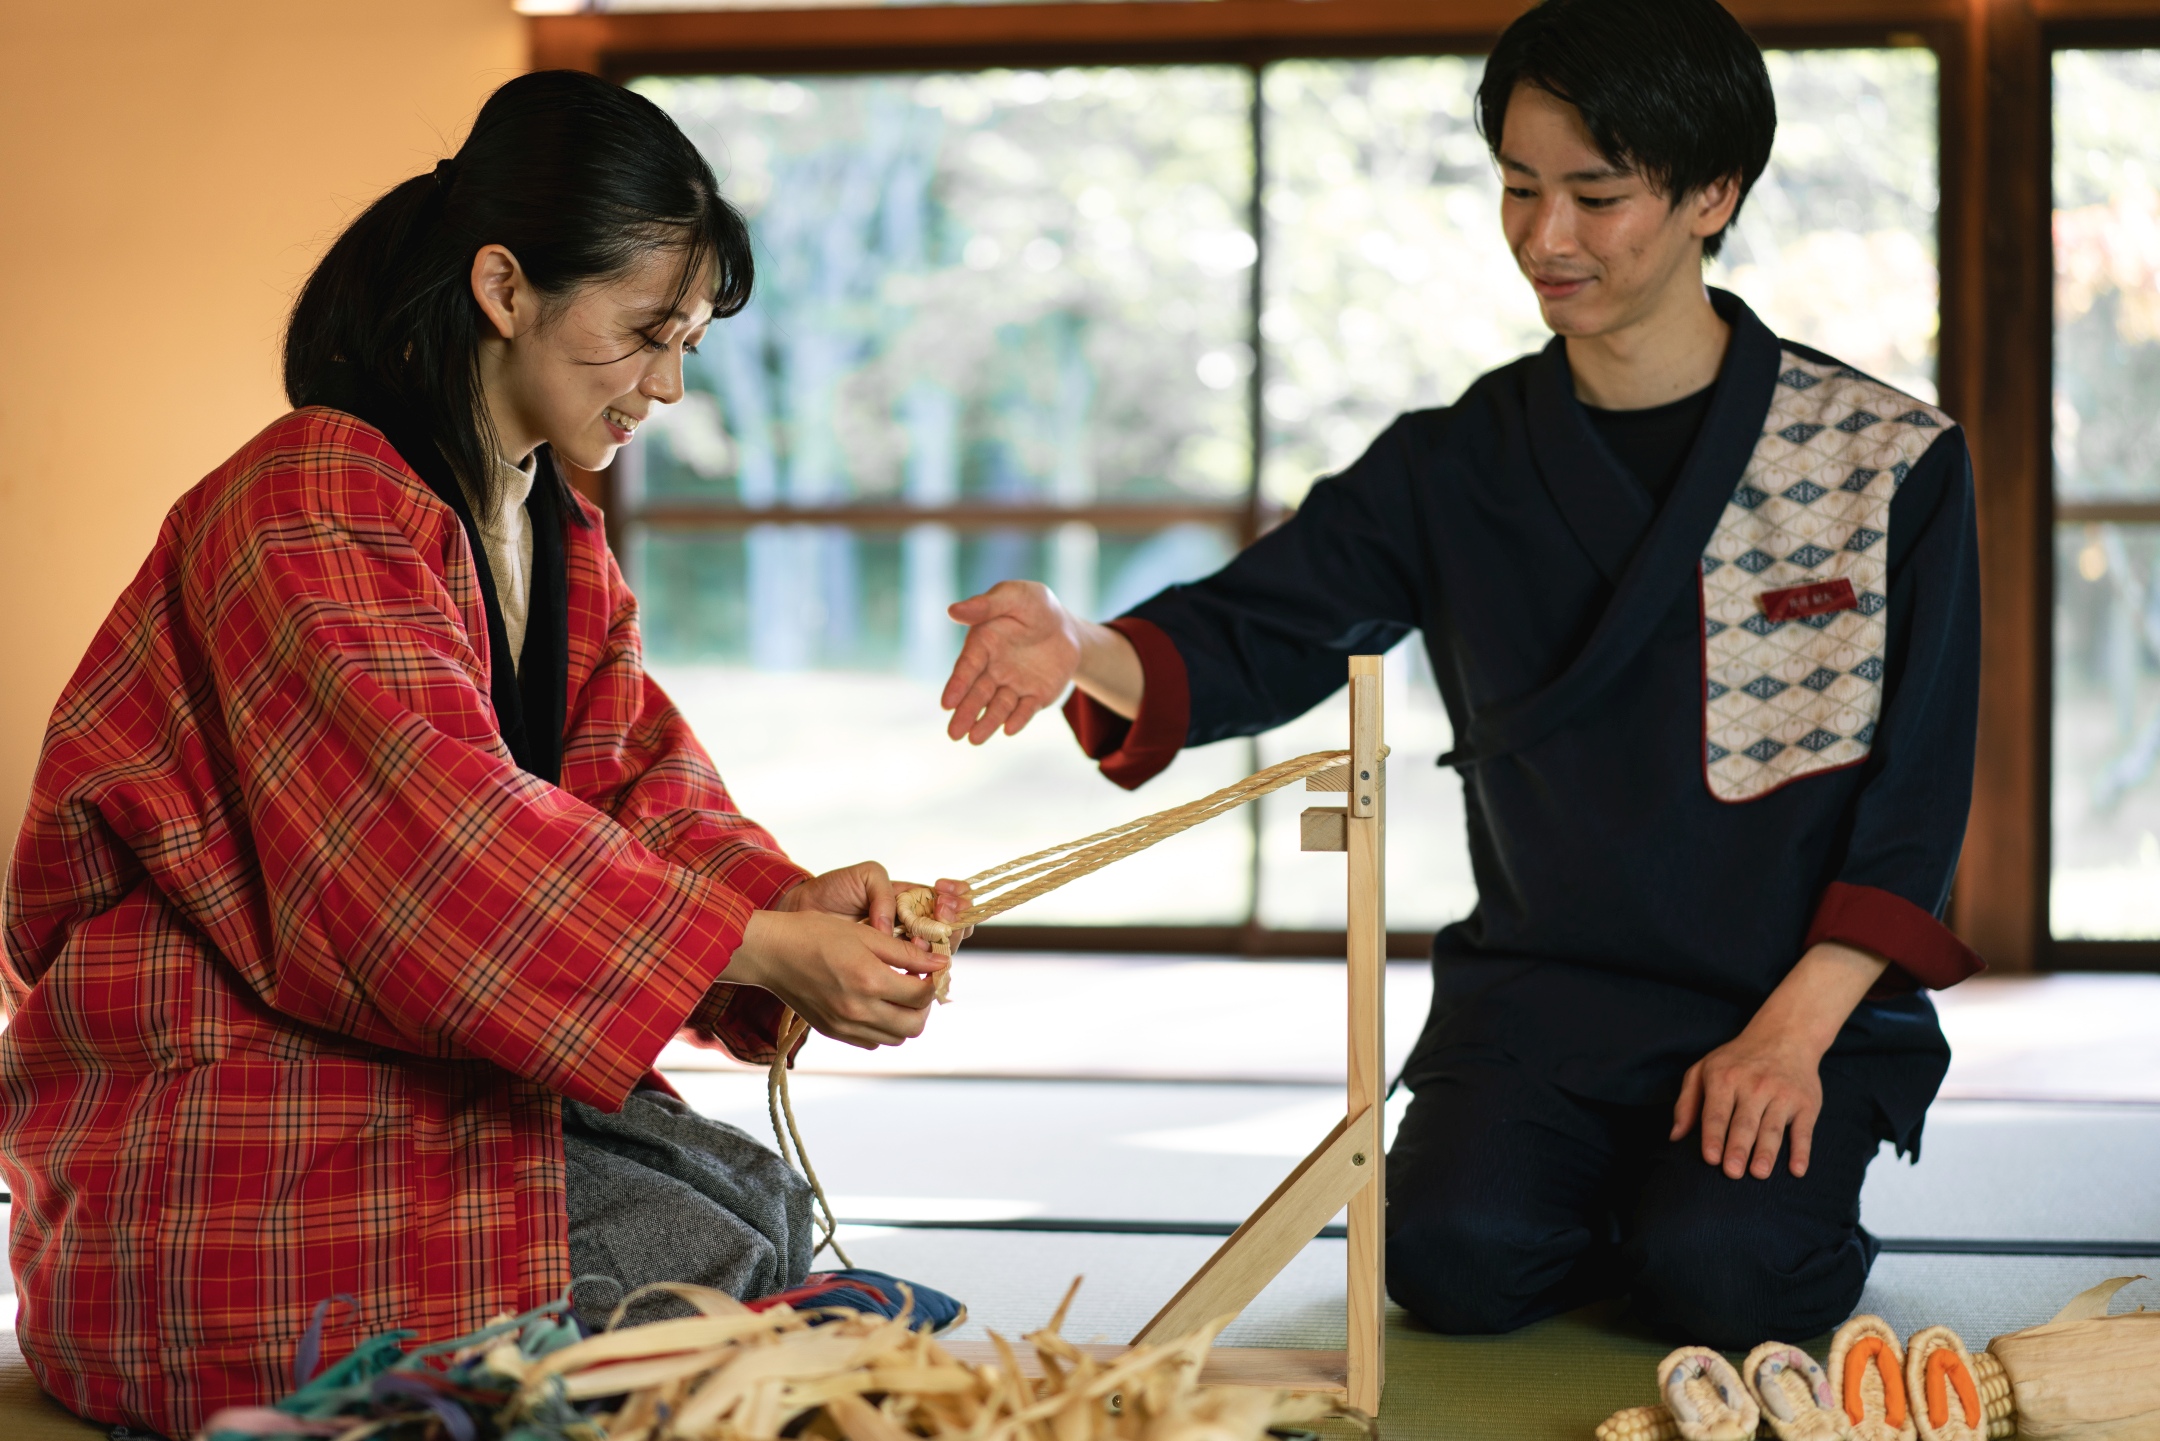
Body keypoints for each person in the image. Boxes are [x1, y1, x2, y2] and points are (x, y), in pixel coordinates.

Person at [939, 0, 1980, 1348]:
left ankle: (1710, 1205)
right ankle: (1631, 1193)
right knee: (1449, 1257)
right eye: (1519, 188)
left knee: (1723, 1280)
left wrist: (1796, 1035)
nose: (1547, 238)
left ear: (1714, 193)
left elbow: (1922, 791)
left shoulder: (1884, 459)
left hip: (1789, 1001)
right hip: (1547, 1005)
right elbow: (1256, 627)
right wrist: (1075, 645)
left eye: (1596, 196)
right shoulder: (1453, 464)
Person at [0, 71, 966, 1440]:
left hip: (386, 1065)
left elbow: (641, 789)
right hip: (229, 1108)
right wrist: (739, 945)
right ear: (505, 287)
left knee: (756, 1209)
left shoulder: (552, 531)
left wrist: (794, 909)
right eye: (643, 331)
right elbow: (428, 846)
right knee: (704, 1279)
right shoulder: (307, 498)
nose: (669, 384)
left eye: (686, 341)